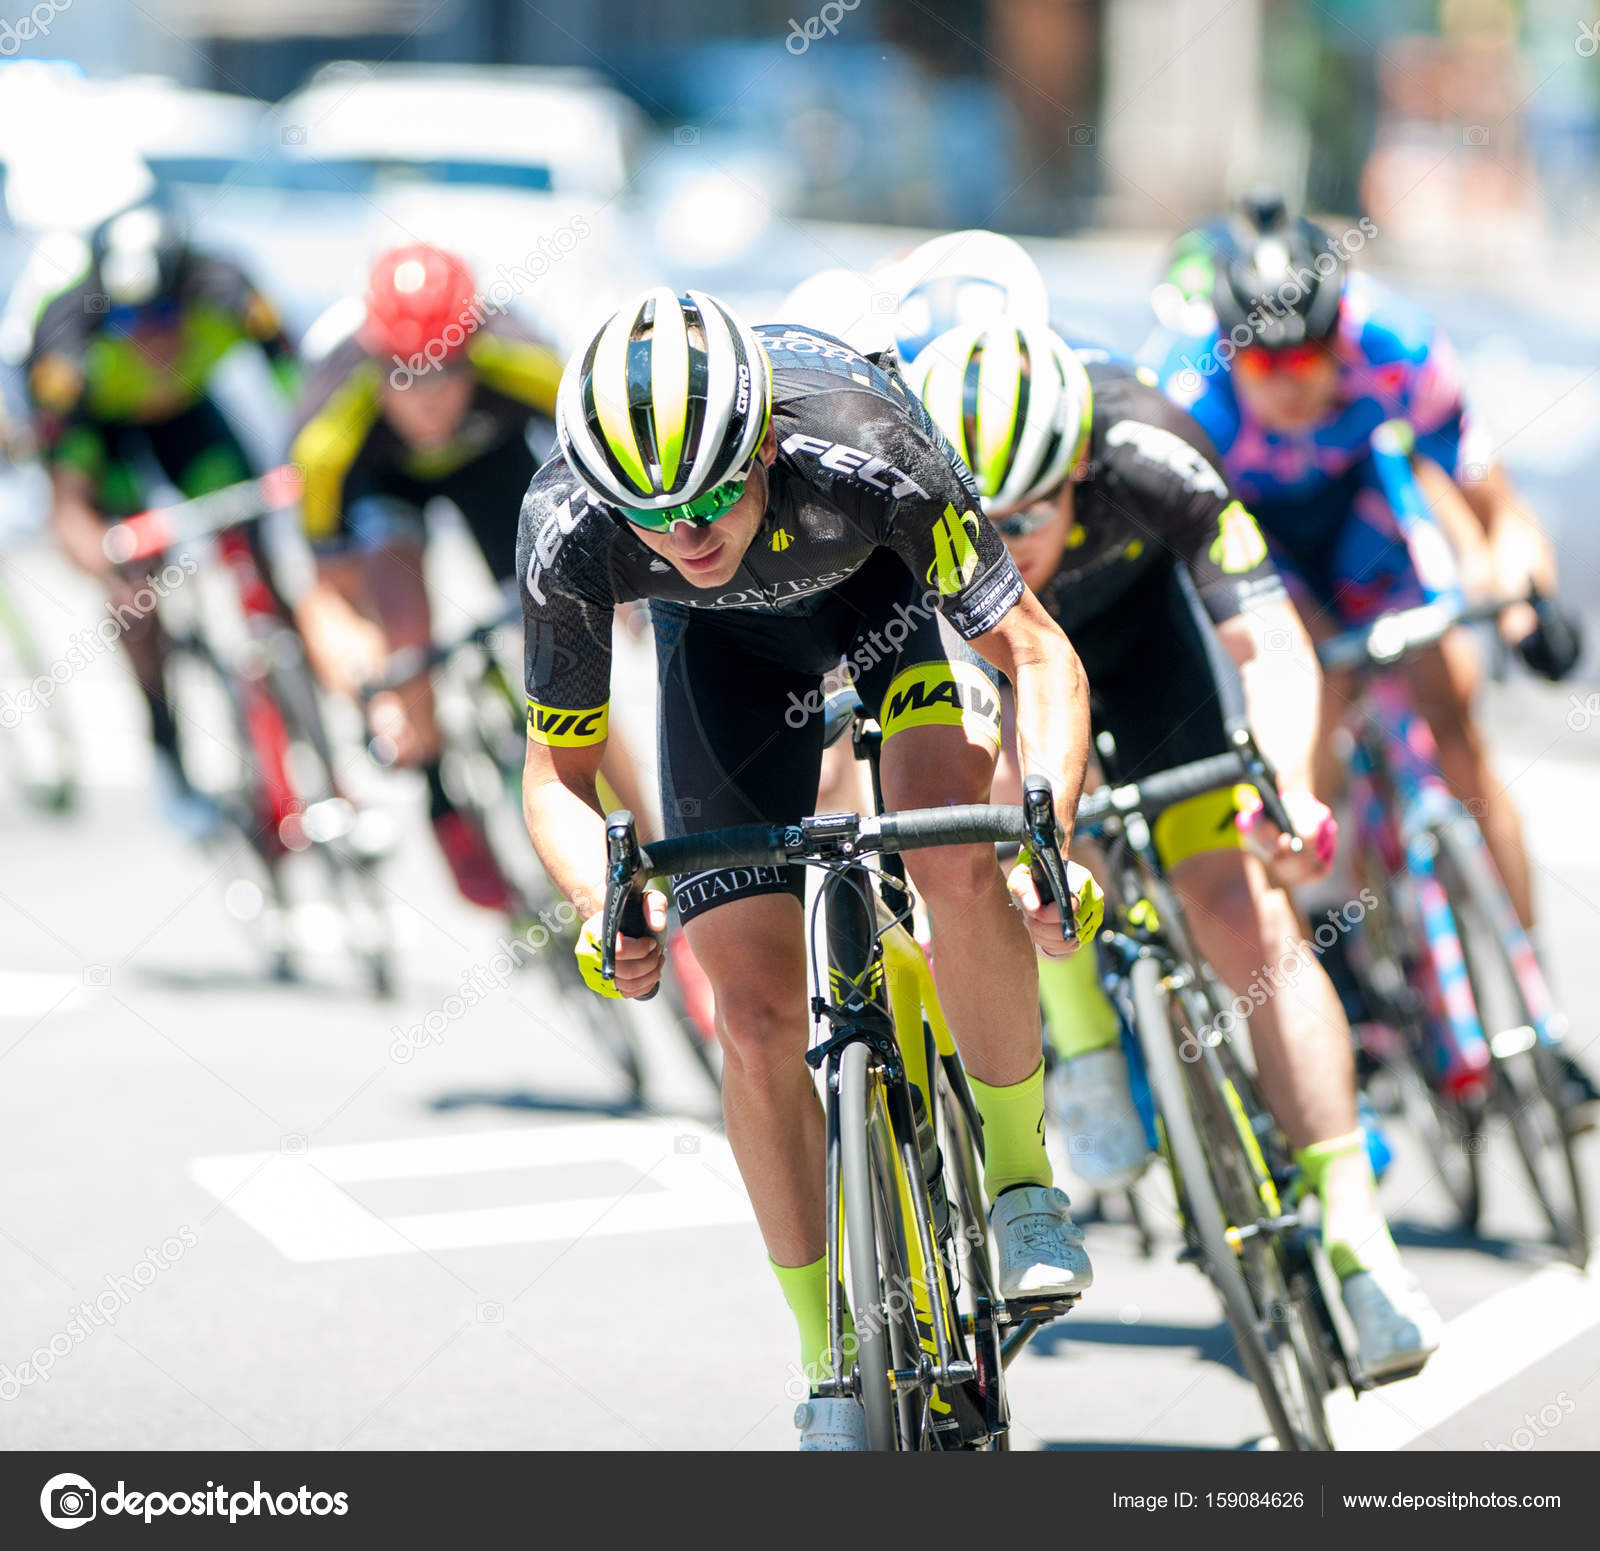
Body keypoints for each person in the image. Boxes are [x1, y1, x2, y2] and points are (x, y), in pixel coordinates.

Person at [518, 287, 1103, 1449]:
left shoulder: (868, 445)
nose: (684, 532)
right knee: (750, 1009)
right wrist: (603, 902)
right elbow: (553, 776)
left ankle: (1024, 1182)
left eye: (711, 491)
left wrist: (1046, 830)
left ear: (767, 446)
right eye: (652, 511)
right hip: (722, 660)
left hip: (880, 603)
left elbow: (1036, 654)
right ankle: (826, 1352)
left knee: (953, 847)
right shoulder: (571, 528)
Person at [906, 318, 1443, 1381]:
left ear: (1081, 470)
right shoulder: (911, 496)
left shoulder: (1152, 446)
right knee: (1019, 821)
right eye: (986, 525)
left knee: (1241, 908)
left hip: (1147, 649)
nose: (1009, 546)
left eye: (1032, 516)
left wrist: (1287, 782)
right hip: (998, 666)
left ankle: (1354, 1234)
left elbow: (1271, 640)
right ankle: (1086, 1037)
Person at [1154, 197, 1593, 1113]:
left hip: (1365, 523)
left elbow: (1493, 509)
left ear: (1340, 331)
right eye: (1266, 361)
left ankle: (1535, 1012)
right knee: (1307, 704)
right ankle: (1334, 931)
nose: (1290, 381)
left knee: (1456, 708)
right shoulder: (1191, 398)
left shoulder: (1398, 345)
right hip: (1264, 549)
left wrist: (1528, 608)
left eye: (1310, 355)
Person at [290, 243, 652, 911]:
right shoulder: (329, 422)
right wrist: (372, 682)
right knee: (403, 641)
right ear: (375, 361)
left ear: (476, 346)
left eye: (446, 370)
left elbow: (613, 472)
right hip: (385, 486)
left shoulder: (525, 359)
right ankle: (440, 799)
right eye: (405, 374)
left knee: (570, 652)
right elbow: (328, 590)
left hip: (493, 467)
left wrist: (626, 584)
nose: (427, 398)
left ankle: (658, 855)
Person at [23, 198, 298, 832]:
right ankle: (167, 743)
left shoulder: (229, 289)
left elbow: (303, 384)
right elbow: (67, 497)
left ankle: (296, 686)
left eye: (166, 313)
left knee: (254, 542)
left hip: (188, 419)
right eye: (128, 320)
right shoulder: (66, 350)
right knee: (133, 596)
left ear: (188, 290)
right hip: (104, 435)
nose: (148, 333)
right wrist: (97, 550)